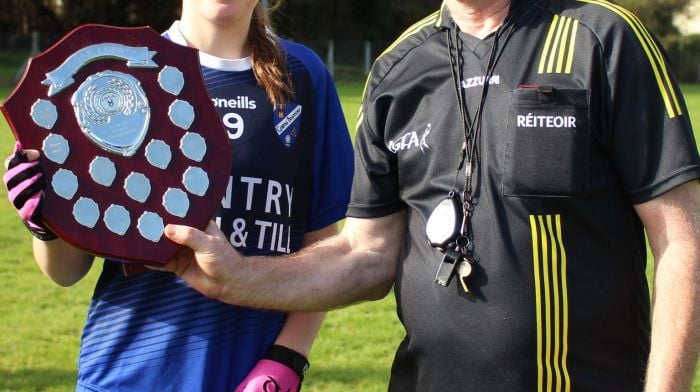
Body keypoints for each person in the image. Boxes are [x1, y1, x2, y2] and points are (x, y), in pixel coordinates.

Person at [154, 0, 700, 390]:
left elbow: (681, 238)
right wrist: (240, 275)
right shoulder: (397, 67)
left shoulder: (602, 37)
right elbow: (366, 255)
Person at [3, 0, 354, 391]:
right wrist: (46, 224)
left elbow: (323, 248)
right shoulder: (119, 69)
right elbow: (65, 272)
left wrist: (287, 360)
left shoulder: (304, 77)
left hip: (253, 377)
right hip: (128, 375)